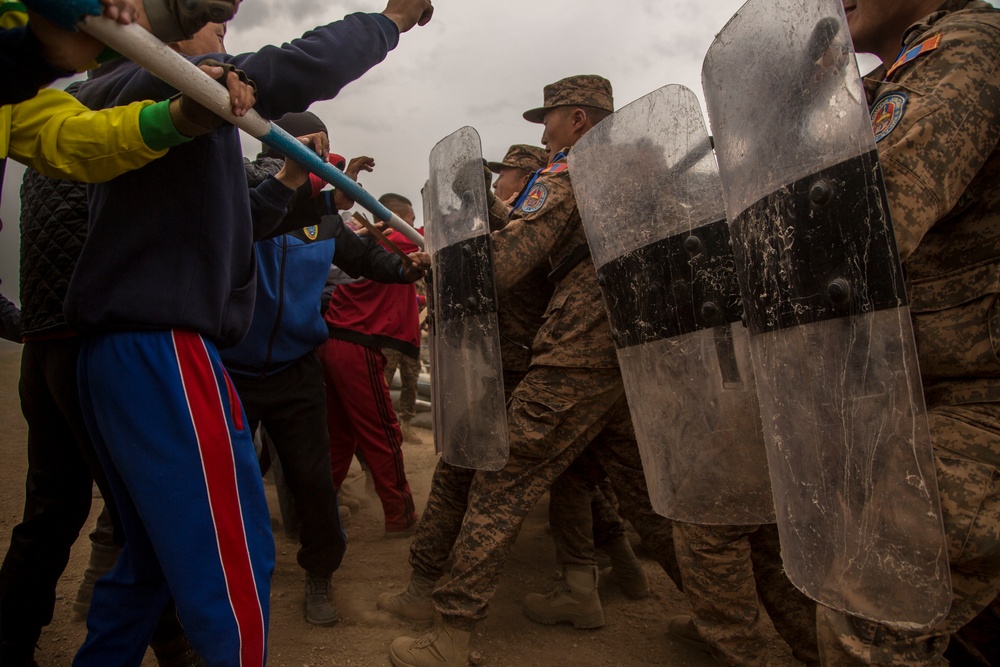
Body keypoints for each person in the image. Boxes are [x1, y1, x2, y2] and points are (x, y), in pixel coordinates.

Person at [62, 2, 433, 664]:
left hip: (148, 351)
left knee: (150, 556)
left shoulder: (171, 128)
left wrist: (302, 187)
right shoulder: (159, 83)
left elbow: (248, 228)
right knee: (235, 555)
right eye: (217, 31)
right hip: (168, 350)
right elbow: (293, 66)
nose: (224, 43)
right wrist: (391, 20)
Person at [388, 75, 683, 667]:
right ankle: (731, 616)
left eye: (548, 117)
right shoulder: (633, 168)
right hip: (624, 350)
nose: (544, 130)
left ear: (578, 119)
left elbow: (514, 262)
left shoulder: (573, 168)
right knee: (641, 498)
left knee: (501, 479)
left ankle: (450, 633)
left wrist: (448, 263)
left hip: (575, 350)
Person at [813, 0, 1000, 663]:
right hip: (921, 388)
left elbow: (869, 220)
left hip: (980, 401)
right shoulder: (880, 86)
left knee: (868, 609)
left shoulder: (966, 50)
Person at [225, 110, 429, 627]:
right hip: (232, 365)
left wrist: (404, 269)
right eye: (310, 145)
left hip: (297, 368)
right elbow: (249, 213)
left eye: (323, 146)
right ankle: (232, 575)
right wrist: (301, 178)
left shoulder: (327, 220)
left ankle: (319, 577)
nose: (320, 153)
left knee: (314, 482)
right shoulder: (248, 192)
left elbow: (366, 260)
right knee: (227, 479)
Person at [319, 193, 424, 537]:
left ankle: (319, 510)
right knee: (383, 432)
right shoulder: (396, 238)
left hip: (336, 339)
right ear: (397, 218)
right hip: (357, 344)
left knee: (340, 434)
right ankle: (400, 514)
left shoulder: (362, 240)